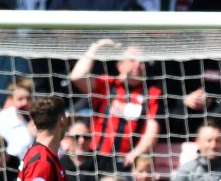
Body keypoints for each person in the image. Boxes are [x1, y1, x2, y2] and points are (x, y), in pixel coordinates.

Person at [68, 39, 163, 170]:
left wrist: (135, 153)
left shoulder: (152, 93)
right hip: (96, 157)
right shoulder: (106, 84)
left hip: (125, 161)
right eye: (133, 60)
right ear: (120, 64)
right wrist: (95, 48)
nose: (138, 65)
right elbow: (76, 77)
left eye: (142, 62)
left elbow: (152, 130)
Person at [0, 77, 35, 164]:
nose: (25, 103)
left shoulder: (38, 116)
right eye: (20, 99)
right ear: (11, 99)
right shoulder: (3, 119)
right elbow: (11, 153)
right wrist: (29, 134)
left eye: (28, 98)